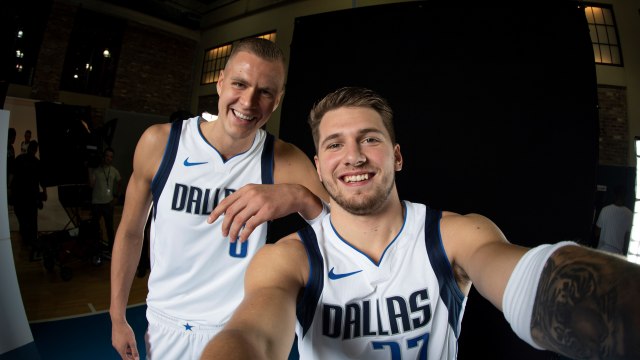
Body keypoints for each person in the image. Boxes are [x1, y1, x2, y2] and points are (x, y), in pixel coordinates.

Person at [201, 87, 640, 360]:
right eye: (335, 144)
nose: (353, 156)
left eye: (369, 139)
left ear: (396, 155)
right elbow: (251, 337)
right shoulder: (289, 259)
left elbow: (531, 281)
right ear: (318, 166)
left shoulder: (453, 235)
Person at [110, 37, 329, 360]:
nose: (249, 102)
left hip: (241, 326)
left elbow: (345, 232)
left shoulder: (284, 160)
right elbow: (130, 231)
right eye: (240, 84)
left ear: (278, 100)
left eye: (265, 92)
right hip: (165, 323)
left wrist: (298, 197)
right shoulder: (161, 144)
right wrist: (117, 315)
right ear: (221, 82)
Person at [11, 140, 47, 261]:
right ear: (36, 149)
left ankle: (25, 241)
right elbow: (42, 180)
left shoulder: (19, 159)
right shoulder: (37, 162)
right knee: (32, 220)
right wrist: (44, 193)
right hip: (31, 196)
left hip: (20, 195)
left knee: (23, 219)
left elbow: (13, 176)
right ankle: (32, 244)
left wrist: (11, 192)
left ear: (28, 148)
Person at [89, 147, 122, 258]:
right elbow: (91, 185)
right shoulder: (96, 170)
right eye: (107, 156)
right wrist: (89, 170)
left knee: (109, 228)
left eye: (111, 157)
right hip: (96, 203)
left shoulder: (114, 171)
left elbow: (120, 182)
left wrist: (116, 196)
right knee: (95, 228)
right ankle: (96, 250)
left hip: (108, 203)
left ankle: (111, 250)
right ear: (103, 157)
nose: (109, 158)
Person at [595, 184, 633, 256]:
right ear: (625, 196)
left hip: (602, 251)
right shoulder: (629, 214)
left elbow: (597, 232)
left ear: (614, 195)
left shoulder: (605, 210)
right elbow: (627, 238)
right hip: (617, 255)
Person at [6, 127, 16, 200]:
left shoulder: (11, 147)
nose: (14, 139)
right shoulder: (8, 147)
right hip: (8, 176)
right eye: (14, 137)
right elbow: (12, 166)